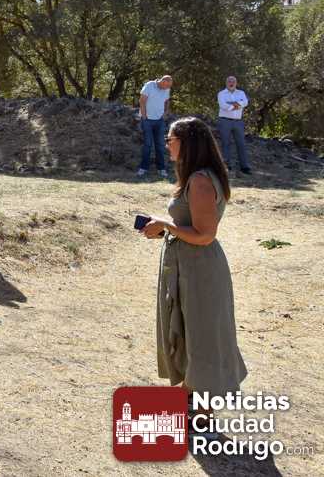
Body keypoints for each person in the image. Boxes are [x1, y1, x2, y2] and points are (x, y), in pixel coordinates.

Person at [138, 117, 247, 423]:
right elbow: (189, 225)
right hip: (188, 266)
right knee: (188, 332)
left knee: (202, 338)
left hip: (200, 270)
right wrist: (164, 228)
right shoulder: (195, 178)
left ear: (187, 143)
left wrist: (166, 224)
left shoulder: (200, 181)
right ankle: (189, 396)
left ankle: (203, 417)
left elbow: (205, 235)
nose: (167, 145)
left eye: (170, 140)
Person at [137, 75, 173, 178]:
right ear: (163, 82)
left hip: (160, 121)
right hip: (147, 120)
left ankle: (161, 169)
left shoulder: (167, 89)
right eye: (167, 86)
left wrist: (165, 113)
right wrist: (144, 116)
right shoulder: (149, 85)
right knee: (148, 144)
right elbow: (142, 100)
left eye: (169, 86)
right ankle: (143, 168)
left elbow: (167, 101)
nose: (168, 88)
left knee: (160, 145)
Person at [217, 76, 251, 175]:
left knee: (241, 144)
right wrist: (237, 105)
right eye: (229, 81)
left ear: (236, 83)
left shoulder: (241, 93)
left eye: (233, 81)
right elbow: (223, 106)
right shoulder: (221, 94)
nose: (231, 83)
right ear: (226, 83)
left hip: (238, 122)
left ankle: (244, 167)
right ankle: (226, 165)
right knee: (225, 143)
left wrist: (231, 105)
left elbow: (245, 102)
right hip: (225, 121)